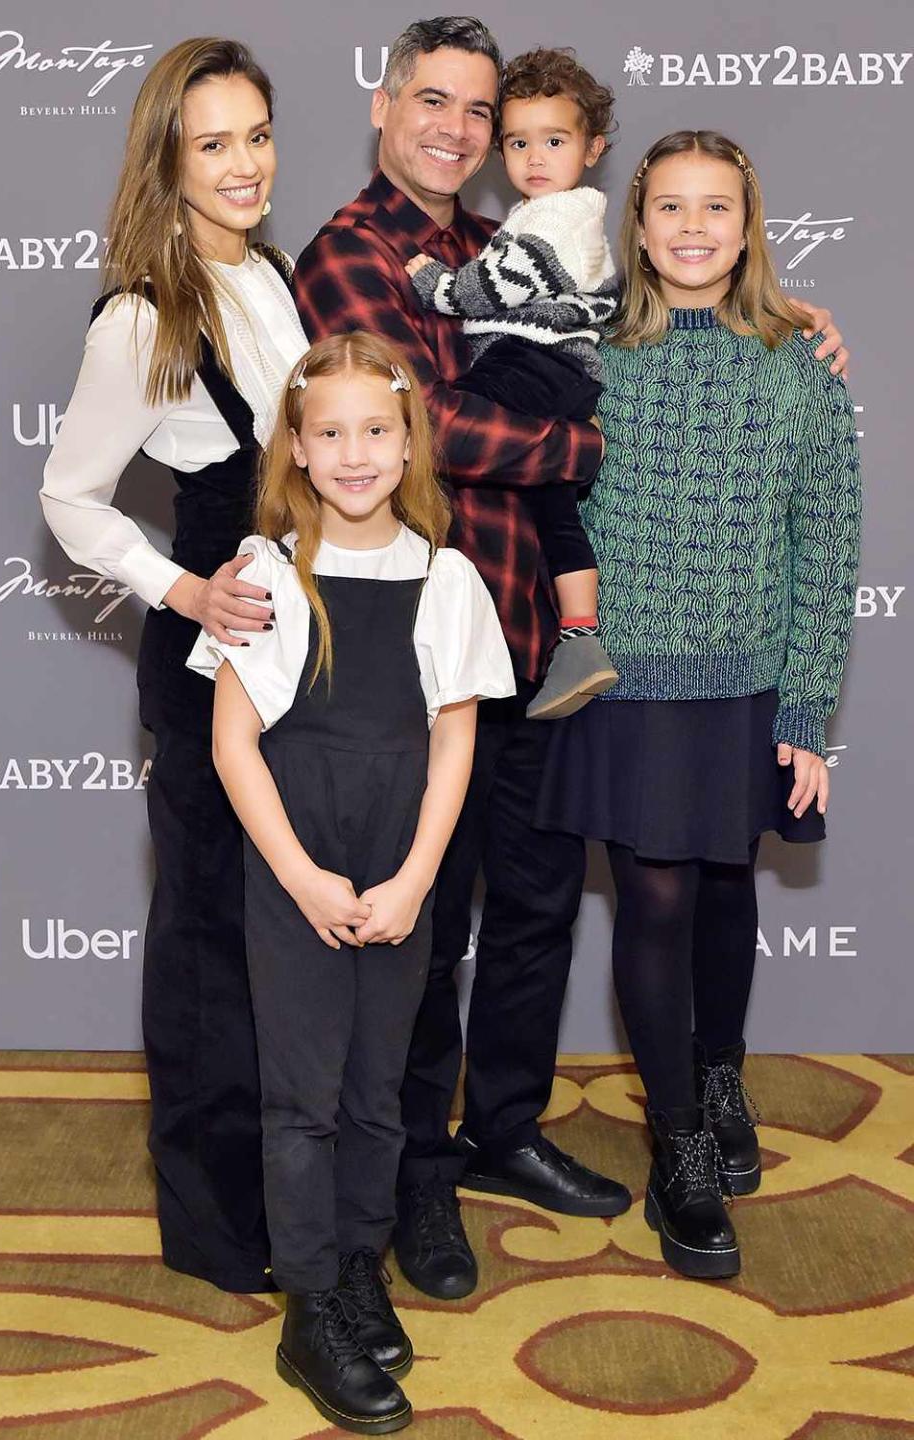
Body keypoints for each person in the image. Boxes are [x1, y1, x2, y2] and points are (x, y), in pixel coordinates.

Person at [293, 16, 850, 1303]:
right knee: (431, 926)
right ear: (386, 107)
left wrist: (784, 316)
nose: (459, 129)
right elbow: (419, 425)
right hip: (431, 646)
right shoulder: (356, 254)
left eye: (479, 113)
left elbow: (647, 332)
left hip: (542, 650)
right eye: (432, 102)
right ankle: (418, 1184)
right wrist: (586, 444)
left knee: (539, 909)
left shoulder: (509, 251)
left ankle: (503, 1133)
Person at [536, 131, 862, 1280]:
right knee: (657, 904)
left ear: (747, 223)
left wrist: (806, 711)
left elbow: (826, 544)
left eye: (713, 207)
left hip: (752, 684)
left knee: (729, 892)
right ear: (636, 221)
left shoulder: (796, 362)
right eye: (668, 206)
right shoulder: (585, 353)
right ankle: (675, 1144)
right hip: (629, 685)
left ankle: (720, 1072)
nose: (690, 228)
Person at [188, 333, 515, 1434]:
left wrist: (419, 878)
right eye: (327, 432)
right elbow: (235, 745)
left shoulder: (447, 574)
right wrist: (300, 878)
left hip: (399, 869)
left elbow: (455, 739)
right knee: (304, 1098)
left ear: (411, 438)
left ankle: (359, 1261)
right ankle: (309, 1301)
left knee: (381, 1090)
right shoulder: (268, 572)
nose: (355, 452)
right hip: (300, 865)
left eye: (377, 429)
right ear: (294, 446)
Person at [40, 38, 308, 1294]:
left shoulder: (276, 272)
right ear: (168, 158)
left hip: (300, 648)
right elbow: (72, 498)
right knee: (206, 937)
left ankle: (286, 1188)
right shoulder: (147, 311)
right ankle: (214, 1228)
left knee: (279, 929)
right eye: (215, 142)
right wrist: (182, 585)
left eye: (256, 134)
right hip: (210, 654)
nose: (245, 163)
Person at [407, 48, 621, 720]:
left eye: (554, 141)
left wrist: (434, 286)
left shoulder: (556, 217)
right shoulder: (547, 212)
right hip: (564, 372)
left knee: (441, 427)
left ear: (593, 148)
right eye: (519, 142)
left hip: (538, 363)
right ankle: (581, 634)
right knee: (553, 508)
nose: (535, 158)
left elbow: (498, 283)